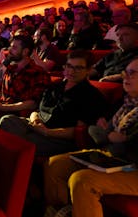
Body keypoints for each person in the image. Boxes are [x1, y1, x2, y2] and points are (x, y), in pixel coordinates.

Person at [44, 58, 138, 217]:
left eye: (132, 73)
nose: (125, 77)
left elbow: (125, 140)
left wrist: (125, 139)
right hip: (113, 156)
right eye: (125, 72)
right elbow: (103, 125)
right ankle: (62, 211)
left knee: (82, 180)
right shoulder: (126, 101)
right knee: (54, 164)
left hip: (134, 165)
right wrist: (104, 127)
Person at [0, 50, 108, 156]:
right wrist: (36, 120)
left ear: (88, 70)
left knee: (17, 140)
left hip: (58, 138)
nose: (71, 71)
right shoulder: (56, 86)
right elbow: (37, 110)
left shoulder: (91, 95)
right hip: (38, 126)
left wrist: (47, 132)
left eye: (78, 68)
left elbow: (79, 131)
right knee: (7, 120)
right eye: (69, 66)